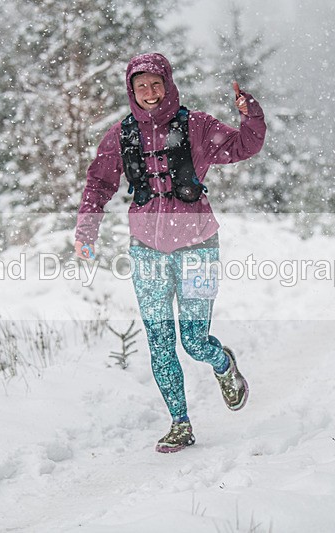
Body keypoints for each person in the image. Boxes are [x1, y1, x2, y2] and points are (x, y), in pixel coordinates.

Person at [74, 53, 266, 453]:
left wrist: (250, 114)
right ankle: (180, 423)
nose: (149, 92)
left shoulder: (197, 126)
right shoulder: (121, 135)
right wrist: (86, 230)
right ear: (131, 90)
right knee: (160, 343)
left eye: (155, 84)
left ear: (168, 85)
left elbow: (244, 145)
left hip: (198, 247)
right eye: (140, 85)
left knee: (194, 341)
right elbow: (98, 184)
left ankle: (223, 363)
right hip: (147, 252)